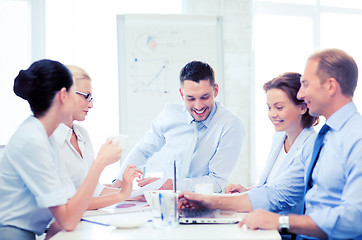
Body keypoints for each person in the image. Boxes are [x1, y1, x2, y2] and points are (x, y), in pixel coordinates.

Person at [240, 49, 362, 239]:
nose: (300, 93)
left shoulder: (357, 138)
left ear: (330, 86)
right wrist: (206, 201)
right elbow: (277, 192)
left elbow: (355, 219)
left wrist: (282, 222)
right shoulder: (326, 137)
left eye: (305, 84)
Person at [0, 59, 121, 240]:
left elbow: (69, 206)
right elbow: (68, 220)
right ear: (64, 95)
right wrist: (100, 163)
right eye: (77, 93)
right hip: (14, 233)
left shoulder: (43, 135)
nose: (90, 103)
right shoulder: (33, 140)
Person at [178, 72, 317, 214]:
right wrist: (248, 191)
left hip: (286, 229)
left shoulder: (311, 147)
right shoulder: (280, 137)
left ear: (302, 107)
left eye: (279, 107)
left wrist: (211, 201)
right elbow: (271, 186)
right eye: (269, 108)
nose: (272, 114)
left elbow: (279, 195)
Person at [112, 61, 245, 192]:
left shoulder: (231, 125)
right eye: (191, 99)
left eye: (205, 97)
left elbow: (217, 182)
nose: (198, 106)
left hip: (205, 202)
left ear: (215, 91)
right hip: (166, 200)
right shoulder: (170, 114)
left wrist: (171, 185)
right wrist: (119, 182)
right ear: (182, 94)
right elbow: (143, 150)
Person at [50, 65, 142, 210]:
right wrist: (122, 194)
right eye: (86, 96)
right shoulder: (48, 140)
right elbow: (68, 205)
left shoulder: (82, 134)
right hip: (51, 227)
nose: (91, 104)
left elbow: (94, 191)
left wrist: (135, 193)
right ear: (64, 94)